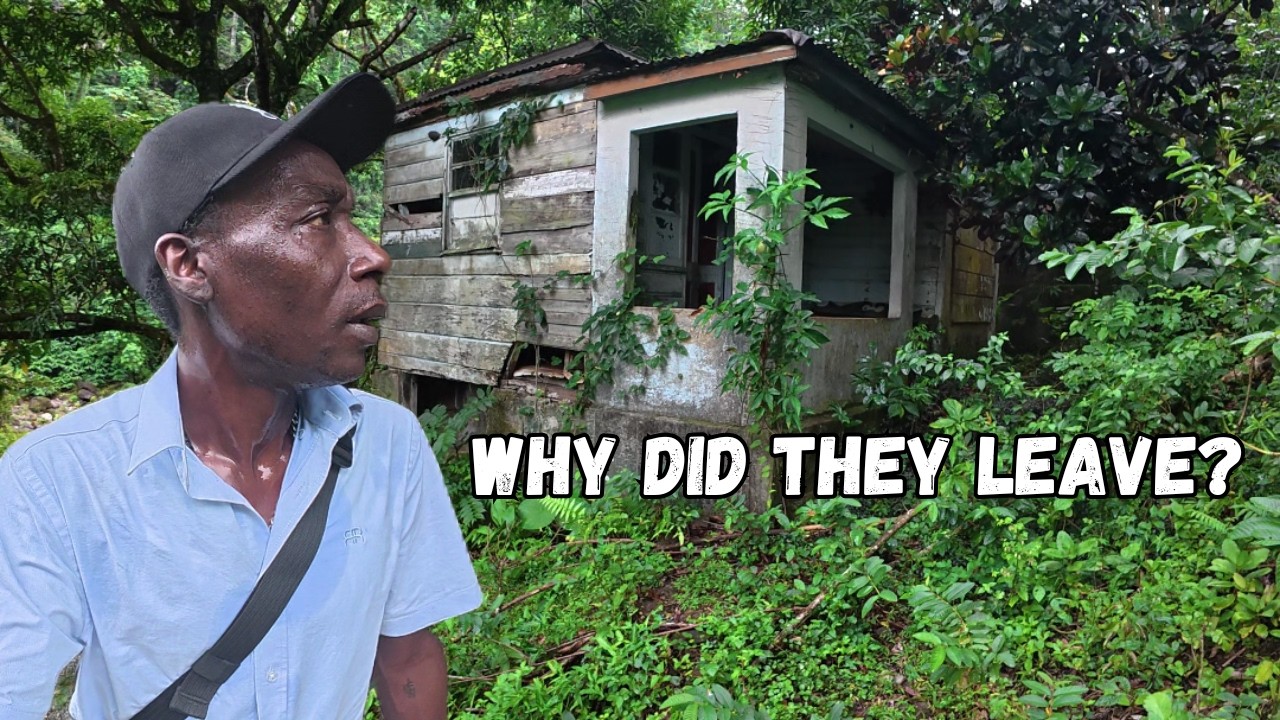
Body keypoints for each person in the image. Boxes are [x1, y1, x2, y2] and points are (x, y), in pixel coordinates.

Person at [0, 73, 482, 720]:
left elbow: (406, 657)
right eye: (316, 219)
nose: (372, 254)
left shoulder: (388, 444)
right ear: (190, 266)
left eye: (352, 217)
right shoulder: (54, 484)